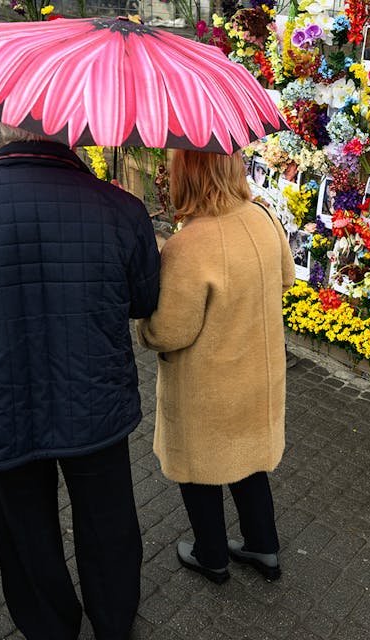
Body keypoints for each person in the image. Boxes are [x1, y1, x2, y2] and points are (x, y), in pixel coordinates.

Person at [0, 124, 160, 639]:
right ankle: (113, 622)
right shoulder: (122, 210)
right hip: (95, 401)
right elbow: (143, 302)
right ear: (71, 132)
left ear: (3, 126)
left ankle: (50, 627)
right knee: (108, 525)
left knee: (24, 533)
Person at [136, 150, 295, 586]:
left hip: (208, 386)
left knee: (199, 466)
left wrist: (143, 327)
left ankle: (212, 555)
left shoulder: (187, 246)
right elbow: (286, 277)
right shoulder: (263, 218)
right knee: (249, 460)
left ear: (184, 174)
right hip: (258, 376)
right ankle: (264, 546)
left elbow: (169, 332)